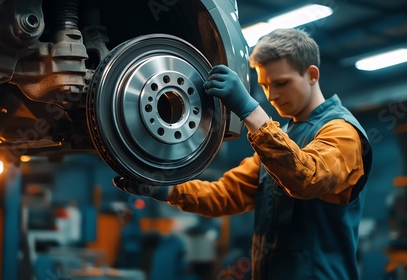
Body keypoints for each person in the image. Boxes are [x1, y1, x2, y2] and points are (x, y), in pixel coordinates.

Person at [113, 28, 372, 279]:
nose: (272, 95)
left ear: (312, 74)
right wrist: (163, 189)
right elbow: (225, 195)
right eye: (265, 85)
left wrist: (249, 109)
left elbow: (306, 178)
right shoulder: (283, 138)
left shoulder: (342, 133)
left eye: (282, 83)